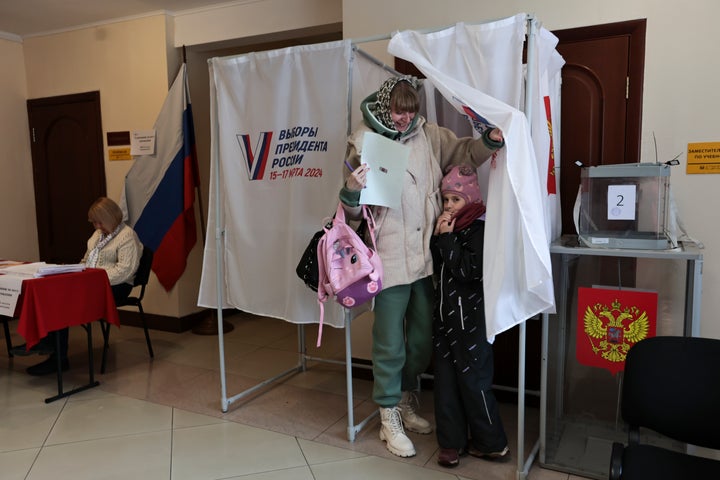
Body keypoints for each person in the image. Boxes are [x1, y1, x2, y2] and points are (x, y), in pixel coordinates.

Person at [340, 75, 504, 457]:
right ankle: (387, 414)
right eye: (398, 110)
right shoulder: (362, 141)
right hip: (388, 258)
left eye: (410, 110)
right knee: (389, 343)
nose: (403, 118)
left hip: (426, 257)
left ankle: (404, 400)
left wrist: (488, 143)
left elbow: (463, 152)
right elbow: (351, 213)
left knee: (419, 341)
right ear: (385, 106)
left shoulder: (428, 135)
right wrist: (350, 189)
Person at [431, 164, 509, 467]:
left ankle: (492, 443)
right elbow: (437, 265)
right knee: (446, 384)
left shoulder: (478, 229)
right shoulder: (447, 227)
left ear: (471, 200)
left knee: (474, 382)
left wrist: (448, 240)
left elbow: (468, 271)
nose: (449, 206)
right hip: (444, 321)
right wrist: (440, 237)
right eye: (446, 199)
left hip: (470, 323)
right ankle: (451, 443)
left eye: (456, 200)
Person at [18, 197, 142, 376]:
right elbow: (86, 260)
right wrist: (76, 273)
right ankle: (45, 341)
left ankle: (58, 358)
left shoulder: (127, 236)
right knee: (53, 295)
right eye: (94, 223)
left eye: (100, 222)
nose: (97, 226)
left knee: (63, 303)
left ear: (111, 217)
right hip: (92, 283)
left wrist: (92, 279)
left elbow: (125, 271)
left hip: (117, 286)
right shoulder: (97, 235)